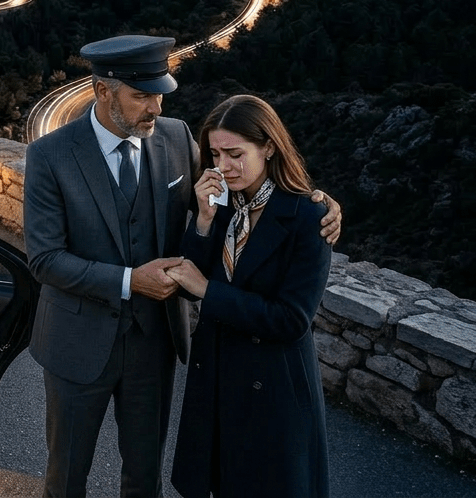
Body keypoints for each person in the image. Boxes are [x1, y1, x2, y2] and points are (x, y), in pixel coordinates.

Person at [23, 35, 340, 498]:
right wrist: (131, 281)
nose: (156, 107)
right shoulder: (49, 155)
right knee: (66, 476)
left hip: (155, 342)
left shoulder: (175, 137)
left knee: (144, 476)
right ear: (103, 91)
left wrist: (322, 202)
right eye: (142, 96)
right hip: (76, 343)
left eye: (160, 94)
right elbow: (45, 259)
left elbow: (230, 197)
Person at [165, 94, 332, 498]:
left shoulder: (309, 217)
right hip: (216, 376)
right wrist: (203, 220)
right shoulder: (221, 203)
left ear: (269, 147)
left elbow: (291, 320)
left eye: (235, 154)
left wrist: (209, 291)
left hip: (273, 387)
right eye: (215, 154)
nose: (223, 166)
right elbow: (189, 275)